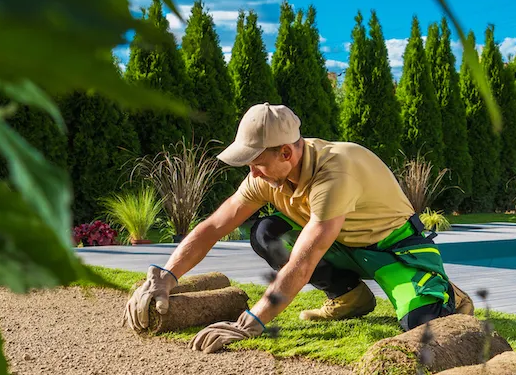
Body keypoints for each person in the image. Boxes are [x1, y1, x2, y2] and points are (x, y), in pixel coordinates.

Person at [124, 103, 472, 353]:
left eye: (257, 164)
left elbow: (302, 263)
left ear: (287, 153)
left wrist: (248, 323)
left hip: (391, 250)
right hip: (341, 244)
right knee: (266, 233)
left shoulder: (336, 173)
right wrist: (165, 276)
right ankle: (350, 297)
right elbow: (215, 225)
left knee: (425, 327)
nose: (253, 174)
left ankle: (447, 294)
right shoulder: (265, 175)